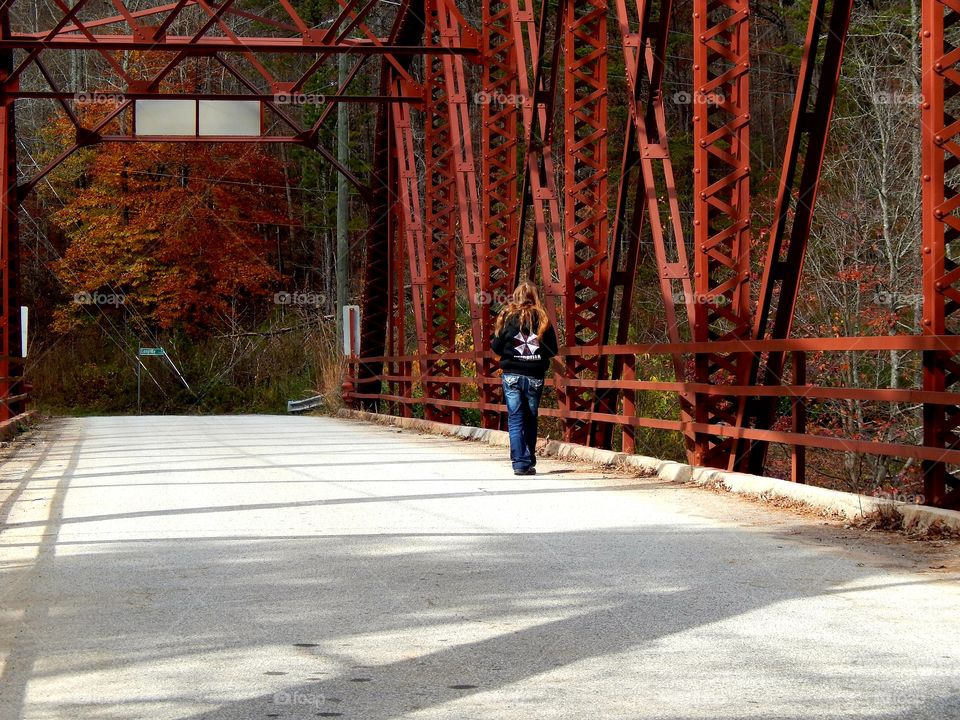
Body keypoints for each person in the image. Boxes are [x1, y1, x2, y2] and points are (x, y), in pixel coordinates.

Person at [491, 281, 558, 475]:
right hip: (534, 376)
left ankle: (520, 463)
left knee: (515, 419)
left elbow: (495, 347)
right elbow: (552, 350)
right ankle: (529, 461)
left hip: (511, 375)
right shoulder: (543, 319)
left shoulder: (508, 318)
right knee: (530, 418)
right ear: (536, 297)